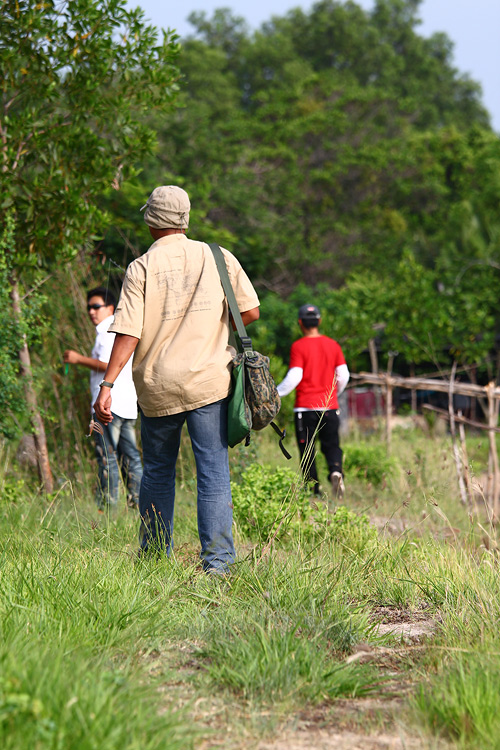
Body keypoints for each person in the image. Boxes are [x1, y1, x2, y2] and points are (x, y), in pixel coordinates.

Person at [93, 185, 260, 574]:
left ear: (151, 221)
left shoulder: (141, 267)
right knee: (213, 474)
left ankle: (154, 558)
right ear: (185, 218)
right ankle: (218, 564)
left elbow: (128, 332)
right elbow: (249, 312)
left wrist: (107, 384)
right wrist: (210, 327)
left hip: (157, 387)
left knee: (157, 472)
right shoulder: (217, 256)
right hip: (208, 382)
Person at [64, 287, 143, 510]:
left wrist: (78, 359)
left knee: (107, 456)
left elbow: (110, 365)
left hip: (108, 405)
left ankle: (106, 509)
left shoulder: (107, 330)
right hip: (127, 404)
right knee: (130, 458)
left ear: (110, 308)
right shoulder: (120, 329)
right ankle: (138, 503)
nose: (91, 311)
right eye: (88, 307)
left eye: (96, 306)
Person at [277, 304, 349, 500]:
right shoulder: (333, 345)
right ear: (320, 321)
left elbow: (295, 375)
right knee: (332, 445)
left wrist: (276, 393)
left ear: (300, 323)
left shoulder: (298, 346)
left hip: (305, 409)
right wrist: (333, 394)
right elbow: (343, 375)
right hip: (330, 407)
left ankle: (313, 493)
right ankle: (336, 471)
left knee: (307, 451)